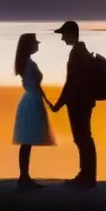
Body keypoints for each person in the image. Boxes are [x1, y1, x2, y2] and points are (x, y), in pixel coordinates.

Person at [50, 20, 97, 187]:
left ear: (71, 34)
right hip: (83, 101)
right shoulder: (81, 51)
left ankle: (87, 176)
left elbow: (70, 82)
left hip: (79, 102)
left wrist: (59, 104)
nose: (62, 38)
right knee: (83, 137)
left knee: (82, 137)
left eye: (63, 35)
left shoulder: (77, 54)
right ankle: (87, 174)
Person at [12, 32, 55, 190]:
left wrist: (46, 100)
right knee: (27, 141)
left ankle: (24, 176)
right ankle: (24, 177)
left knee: (27, 142)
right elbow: (35, 85)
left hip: (32, 100)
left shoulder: (26, 62)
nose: (38, 45)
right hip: (31, 102)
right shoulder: (29, 64)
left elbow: (36, 85)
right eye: (35, 43)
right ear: (29, 46)